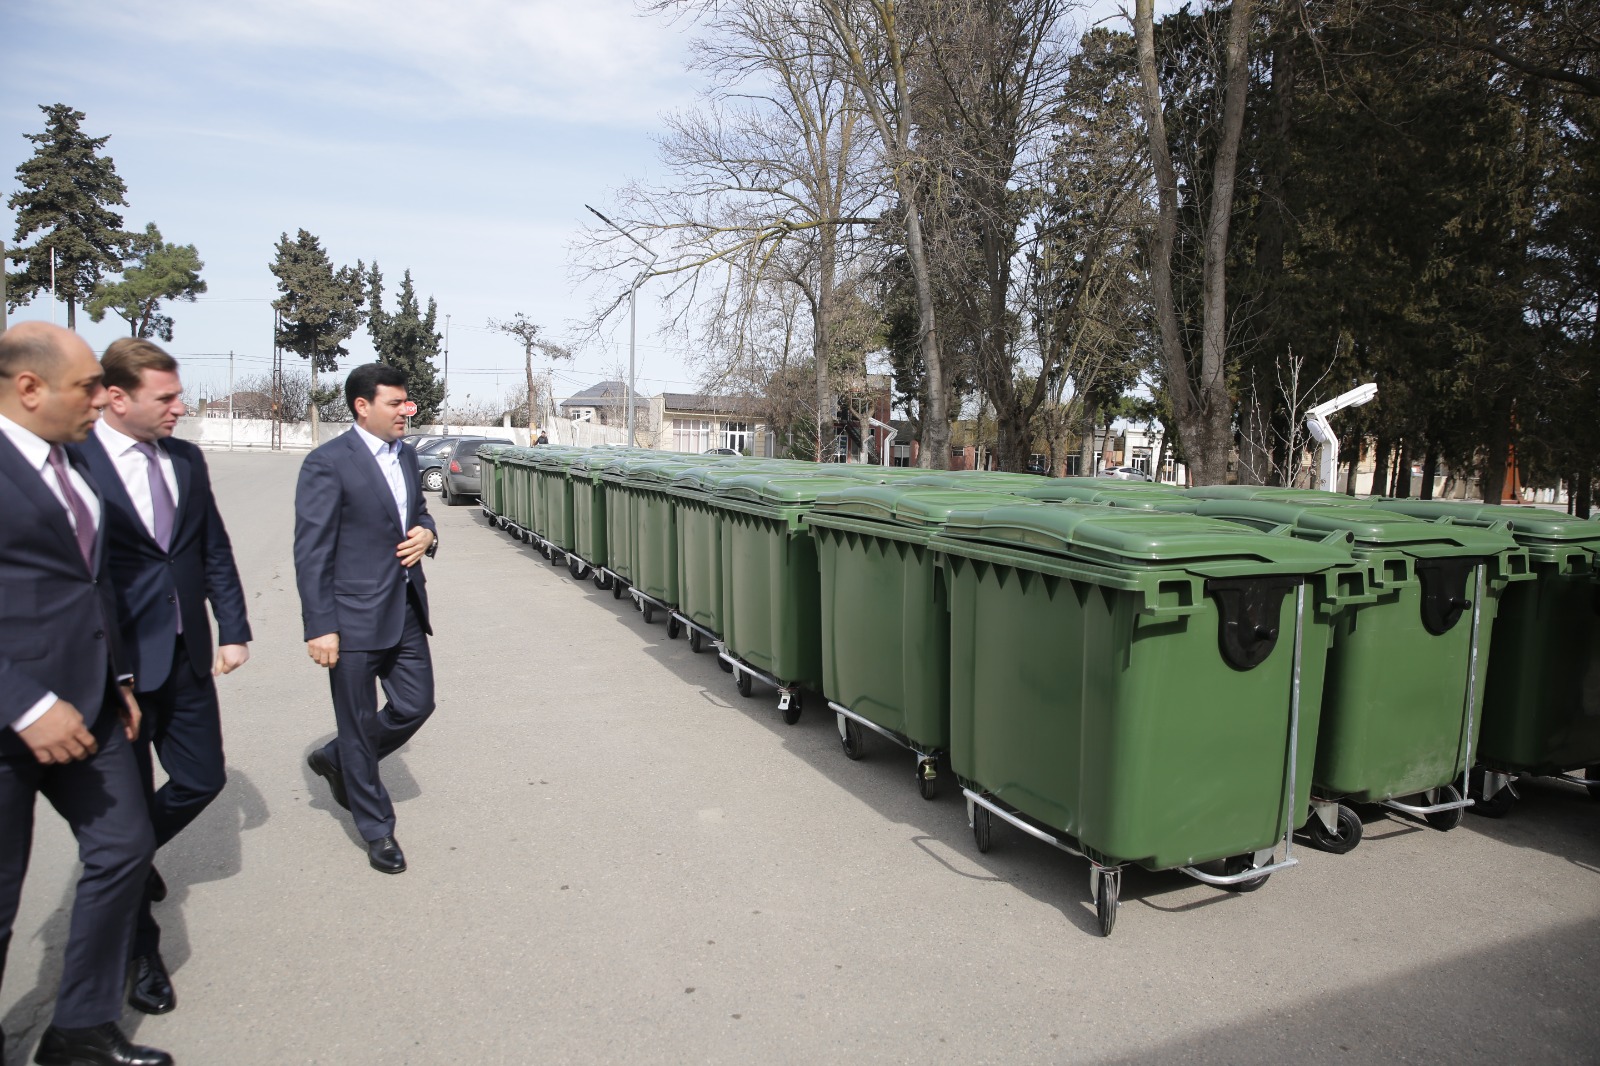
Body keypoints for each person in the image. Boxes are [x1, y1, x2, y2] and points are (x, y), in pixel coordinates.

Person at [0, 323, 172, 1066]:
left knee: (125, 847)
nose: (102, 399)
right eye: (86, 388)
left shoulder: (73, 460)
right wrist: (26, 706)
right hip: (15, 714)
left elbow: (92, 583)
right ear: (27, 388)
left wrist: (119, 678)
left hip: (94, 701)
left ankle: (80, 1029)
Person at [70, 337, 251, 1018]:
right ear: (116, 398)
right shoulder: (76, 460)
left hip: (184, 651)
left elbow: (213, 548)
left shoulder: (185, 458)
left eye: (180, 395)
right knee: (125, 807)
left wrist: (232, 628)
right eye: (166, 398)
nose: (181, 407)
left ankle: (132, 854)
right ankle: (139, 953)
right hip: (113, 668)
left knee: (203, 777)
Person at [295, 363, 438, 874]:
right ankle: (377, 829)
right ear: (362, 406)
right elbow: (311, 552)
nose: (406, 410)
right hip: (351, 618)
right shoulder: (327, 463)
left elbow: (418, 514)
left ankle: (336, 758)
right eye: (396, 403)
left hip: (402, 608)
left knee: (416, 705)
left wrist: (428, 534)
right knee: (357, 726)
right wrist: (319, 625)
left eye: (407, 402)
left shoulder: (405, 457)